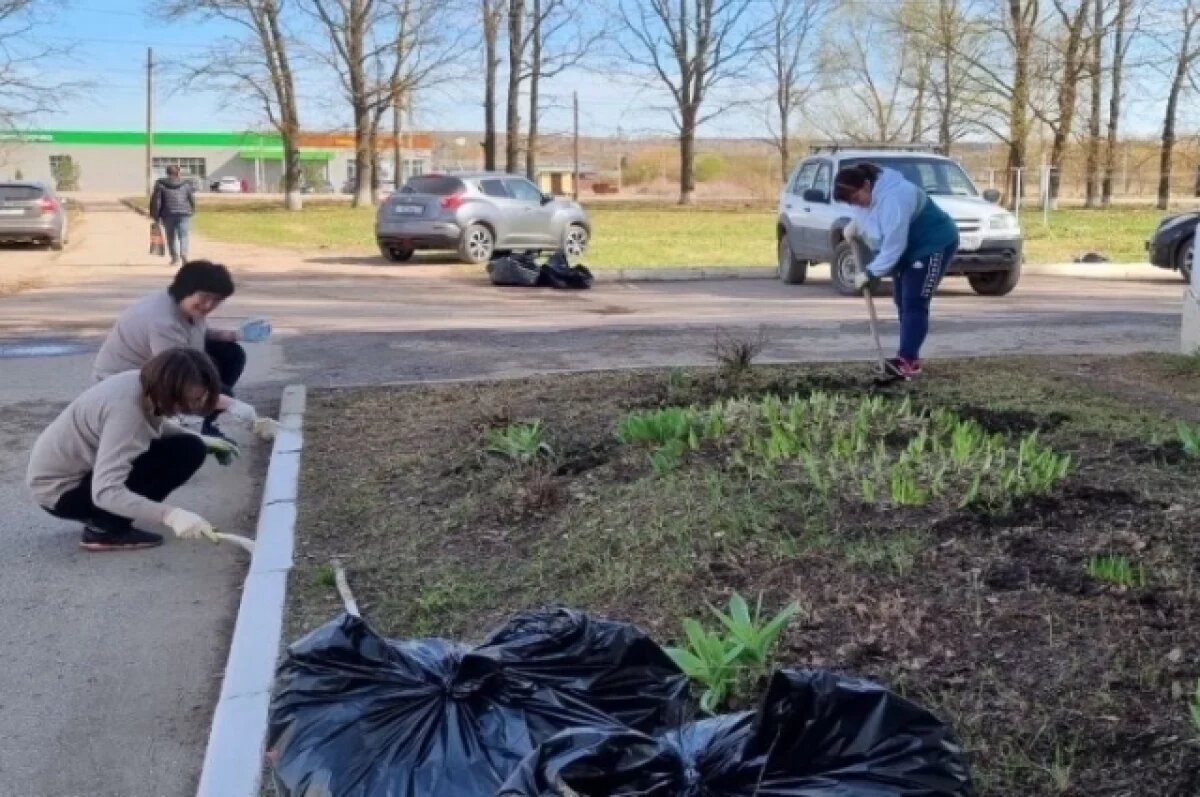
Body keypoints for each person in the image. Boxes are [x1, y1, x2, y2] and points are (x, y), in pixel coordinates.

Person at [28, 348, 229, 551]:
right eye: (193, 399)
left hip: (70, 479)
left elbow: (150, 425)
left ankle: (108, 518)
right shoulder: (127, 412)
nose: (197, 405)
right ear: (170, 390)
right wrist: (170, 515)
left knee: (188, 445)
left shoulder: (142, 383)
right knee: (186, 452)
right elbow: (105, 491)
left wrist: (200, 438)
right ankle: (105, 528)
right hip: (62, 493)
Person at [92, 259, 273, 439]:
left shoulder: (184, 304)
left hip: (161, 363)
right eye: (205, 297)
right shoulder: (162, 321)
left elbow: (195, 332)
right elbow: (176, 376)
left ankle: (206, 420)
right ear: (187, 289)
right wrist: (231, 404)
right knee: (217, 391)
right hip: (123, 382)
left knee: (230, 353)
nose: (209, 305)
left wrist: (236, 335)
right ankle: (187, 418)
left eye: (216, 300)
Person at [835, 163, 960, 379]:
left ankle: (908, 360)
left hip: (931, 244)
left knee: (914, 302)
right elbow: (872, 218)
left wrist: (872, 273)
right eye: (850, 202)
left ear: (866, 185)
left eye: (855, 198)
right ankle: (906, 356)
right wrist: (856, 225)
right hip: (908, 249)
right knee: (902, 301)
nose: (855, 204)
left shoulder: (895, 196)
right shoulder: (869, 197)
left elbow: (894, 244)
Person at [149, 164, 196, 265]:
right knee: (183, 235)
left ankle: (174, 257)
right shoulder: (186, 184)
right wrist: (192, 209)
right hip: (184, 213)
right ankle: (183, 253)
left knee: (171, 236)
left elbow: (157, 202)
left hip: (168, 214)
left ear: (167, 173)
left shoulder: (160, 184)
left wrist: (155, 216)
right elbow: (191, 198)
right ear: (178, 173)